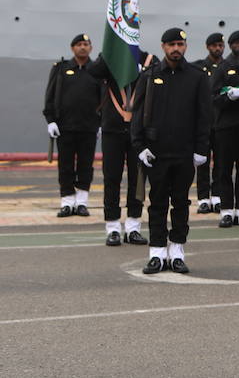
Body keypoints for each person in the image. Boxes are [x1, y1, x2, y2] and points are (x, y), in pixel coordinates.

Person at [131, 28, 213, 274]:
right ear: (163, 46)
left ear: (185, 46)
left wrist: (201, 149)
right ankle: (156, 253)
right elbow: (138, 114)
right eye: (171, 44)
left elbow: (204, 116)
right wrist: (140, 146)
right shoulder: (150, 75)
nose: (176, 48)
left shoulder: (197, 77)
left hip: (185, 152)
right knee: (157, 203)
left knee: (180, 203)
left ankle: (177, 252)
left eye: (180, 44)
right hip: (156, 153)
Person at [88, 49, 156, 246]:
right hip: (113, 128)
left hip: (138, 129)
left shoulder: (148, 60)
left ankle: (133, 226)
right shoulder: (111, 57)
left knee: (138, 179)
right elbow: (93, 71)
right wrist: (111, 51)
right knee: (112, 178)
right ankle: (112, 227)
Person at [43, 33, 101, 217]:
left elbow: (104, 98)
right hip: (65, 127)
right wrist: (50, 120)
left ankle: (82, 202)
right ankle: (67, 202)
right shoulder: (61, 69)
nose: (82, 47)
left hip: (89, 126)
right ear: (72, 48)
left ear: (91, 48)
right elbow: (50, 95)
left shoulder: (97, 70)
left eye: (86, 44)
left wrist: (101, 123)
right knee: (66, 165)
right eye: (79, 44)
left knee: (85, 165)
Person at [210, 30, 239, 228]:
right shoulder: (222, 67)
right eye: (236, 42)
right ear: (230, 45)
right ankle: (227, 211)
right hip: (226, 126)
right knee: (225, 171)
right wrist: (229, 97)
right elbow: (213, 98)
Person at [191, 32, 225, 214]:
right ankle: (203, 199)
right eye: (214, 45)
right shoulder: (199, 67)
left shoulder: (228, 67)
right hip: (204, 124)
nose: (218, 48)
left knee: (220, 162)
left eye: (220, 45)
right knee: (202, 163)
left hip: (221, 123)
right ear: (207, 47)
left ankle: (217, 197)